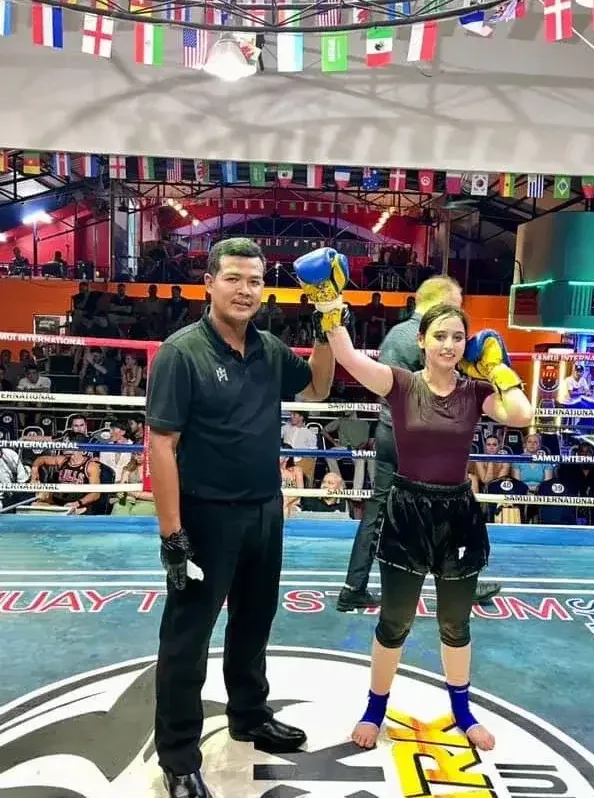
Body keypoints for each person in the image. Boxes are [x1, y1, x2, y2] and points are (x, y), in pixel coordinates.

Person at [293, 251, 532, 753]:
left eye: (457, 337)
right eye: (440, 335)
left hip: (457, 515)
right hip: (406, 510)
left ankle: (463, 713)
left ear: (465, 345)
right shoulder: (400, 384)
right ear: (420, 340)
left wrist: (499, 367)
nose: (449, 344)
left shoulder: (474, 391)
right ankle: (374, 710)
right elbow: (349, 357)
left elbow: (520, 415)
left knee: (455, 622)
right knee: (394, 621)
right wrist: (330, 302)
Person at [146, 237, 335, 798]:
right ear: (209, 282)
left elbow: (320, 387)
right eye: (233, 278)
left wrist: (328, 318)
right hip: (205, 518)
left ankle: (249, 714)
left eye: (254, 280)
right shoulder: (182, 353)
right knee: (187, 638)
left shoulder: (271, 349)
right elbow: (161, 444)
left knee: (255, 622)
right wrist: (171, 534)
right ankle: (179, 757)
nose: (245, 290)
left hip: (263, 509)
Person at [334, 275, 502, 613]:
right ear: (443, 304)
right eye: (456, 307)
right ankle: (456, 581)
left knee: (379, 510)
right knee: (443, 503)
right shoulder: (427, 340)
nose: (456, 329)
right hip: (416, 438)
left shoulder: (396, 332)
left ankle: (354, 585)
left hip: (387, 432)